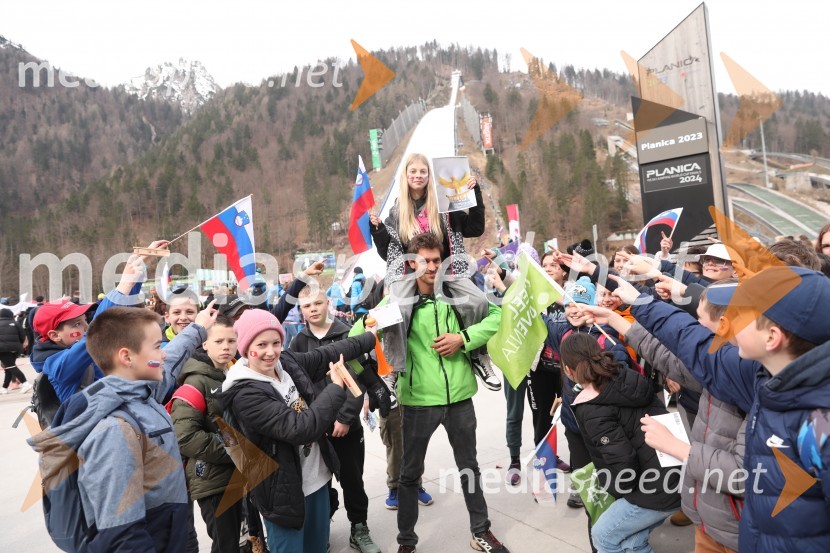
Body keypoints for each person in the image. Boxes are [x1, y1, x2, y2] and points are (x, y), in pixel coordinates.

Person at [618, 266, 830, 552]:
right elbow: (692, 340)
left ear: (772, 337)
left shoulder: (819, 425)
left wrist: (679, 448)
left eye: (741, 317)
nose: (727, 325)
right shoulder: (766, 380)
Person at [28, 301, 217, 553]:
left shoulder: (142, 393)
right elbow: (120, 533)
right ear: (127, 356)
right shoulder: (115, 429)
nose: (164, 354)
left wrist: (198, 329)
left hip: (173, 533)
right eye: (158, 347)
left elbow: (170, 364)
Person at [386, 232, 509, 553]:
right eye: (424, 261)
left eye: (437, 260)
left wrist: (464, 338)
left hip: (460, 399)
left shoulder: (458, 293)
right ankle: (407, 542)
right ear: (411, 263)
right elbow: (366, 328)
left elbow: (497, 316)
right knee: (409, 475)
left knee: (470, 467)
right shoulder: (397, 299)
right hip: (417, 403)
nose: (431, 266)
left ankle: (481, 531)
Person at [219, 309, 378, 553]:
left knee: (317, 547)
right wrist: (336, 389)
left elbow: (331, 352)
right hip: (283, 495)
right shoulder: (244, 393)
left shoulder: (287, 362)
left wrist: (370, 337)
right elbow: (301, 428)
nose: (270, 352)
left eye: (276, 343)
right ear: (245, 347)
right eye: (261, 344)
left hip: (316, 479)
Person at [368, 153, 500, 391]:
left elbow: (475, 228)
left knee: (478, 300)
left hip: (446, 268)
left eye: (423, 172)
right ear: (405, 176)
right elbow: (387, 251)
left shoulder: (444, 203)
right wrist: (378, 230)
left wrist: (476, 194)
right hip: (411, 273)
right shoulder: (397, 213)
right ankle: (393, 369)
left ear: (430, 176)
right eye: (413, 172)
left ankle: (479, 356)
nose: (418, 176)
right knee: (394, 309)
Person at [562, 333, 681, 553]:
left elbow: (623, 463)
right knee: (631, 542)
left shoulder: (592, 405)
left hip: (656, 489)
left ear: (568, 370)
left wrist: (616, 492)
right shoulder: (626, 376)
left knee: (603, 536)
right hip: (677, 473)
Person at [290, 286, 381, 553]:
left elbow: (359, 377)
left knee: (352, 480)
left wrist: (344, 417)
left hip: (346, 425)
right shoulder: (297, 342)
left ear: (328, 302)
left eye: (318, 303)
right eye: (307, 306)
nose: (313, 309)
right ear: (301, 310)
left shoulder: (347, 333)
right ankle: (321, 528)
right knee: (318, 483)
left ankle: (359, 528)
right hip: (316, 427)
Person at [170, 314, 245, 553]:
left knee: (234, 542)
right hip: (211, 479)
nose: (226, 347)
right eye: (219, 341)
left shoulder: (231, 374)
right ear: (204, 344)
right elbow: (185, 437)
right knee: (226, 545)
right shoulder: (194, 383)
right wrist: (236, 449)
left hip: (233, 474)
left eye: (231, 341)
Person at [0, 307, 30, 394]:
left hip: (2, 349)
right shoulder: (15, 323)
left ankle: (25, 383)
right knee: (9, 367)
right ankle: (4, 388)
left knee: (11, 367)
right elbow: (22, 336)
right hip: (16, 348)